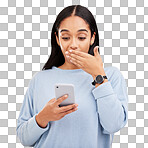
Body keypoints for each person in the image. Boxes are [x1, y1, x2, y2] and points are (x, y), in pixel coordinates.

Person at [16, 4, 128, 148]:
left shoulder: (110, 76)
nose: (73, 45)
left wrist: (98, 75)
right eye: (66, 37)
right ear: (57, 39)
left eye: (81, 37)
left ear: (92, 38)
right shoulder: (40, 79)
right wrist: (43, 117)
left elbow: (114, 125)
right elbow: (24, 139)